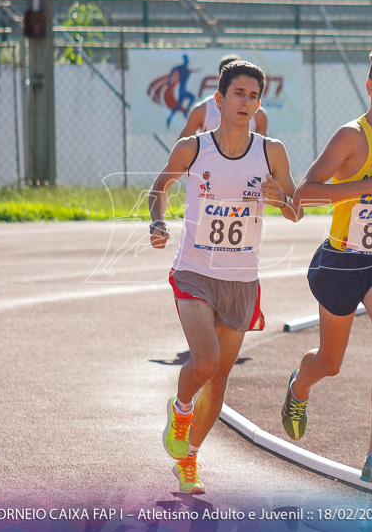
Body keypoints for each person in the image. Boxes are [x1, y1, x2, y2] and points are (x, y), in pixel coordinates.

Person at [149, 60, 301, 494]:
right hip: (195, 271)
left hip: (242, 280)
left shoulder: (272, 151)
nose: (246, 102)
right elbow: (159, 187)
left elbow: (295, 210)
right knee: (205, 361)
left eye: (254, 96)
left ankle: (190, 458)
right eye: (239, 94)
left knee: (219, 381)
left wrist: (281, 199)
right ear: (219, 99)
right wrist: (157, 223)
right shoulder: (194, 148)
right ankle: (179, 411)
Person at [280, 43, 372, 487]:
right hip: (342, 260)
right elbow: (305, 193)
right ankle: (299, 387)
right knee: (330, 362)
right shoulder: (350, 137)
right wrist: (366, 185)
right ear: (371, 86)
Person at [178, 54, 269, 139]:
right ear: (219, 78)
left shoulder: (259, 115)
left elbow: (264, 151)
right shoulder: (201, 111)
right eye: (238, 93)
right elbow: (182, 149)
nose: (245, 102)